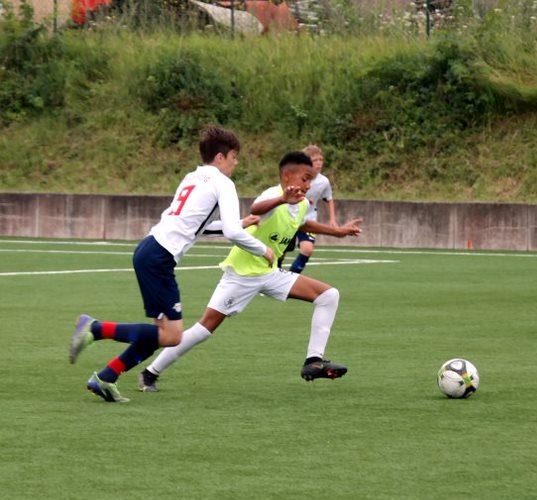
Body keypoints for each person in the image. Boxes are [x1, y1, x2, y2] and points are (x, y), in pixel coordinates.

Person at [69, 126, 275, 403]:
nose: (236, 163)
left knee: (161, 333)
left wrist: (239, 223)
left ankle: (106, 377)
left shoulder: (193, 176)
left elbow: (198, 227)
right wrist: (263, 249)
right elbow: (231, 233)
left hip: (149, 249)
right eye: (234, 157)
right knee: (172, 336)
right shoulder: (223, 183)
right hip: (159, 257)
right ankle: (94, 328)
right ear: (220, 157)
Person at [137, 151, 363, 392]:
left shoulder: (302, 204)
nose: (309, 185)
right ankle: (150, 373)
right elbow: (257, 207)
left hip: (270, 273)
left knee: (328, 295)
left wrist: (338, 231)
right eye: (305, 179)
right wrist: (282, 199)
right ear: (287, 177)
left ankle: (313, 361)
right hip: (242, 275)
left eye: (311, 180)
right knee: (205, 329)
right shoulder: (273, 195)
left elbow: (303, 223)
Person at [277, 144, 336, 273]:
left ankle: (292, 277)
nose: (319, 163)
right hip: (290, 217)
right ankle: (275, 274)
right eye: (315, 160)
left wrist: (332, 219)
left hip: (308, 219)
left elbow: (328, 198)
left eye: (321, 160)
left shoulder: (324, 181)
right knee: (281, 251)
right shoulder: (295, 178)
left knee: (307, 249)